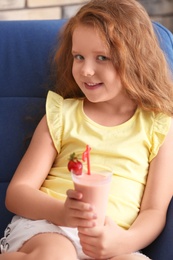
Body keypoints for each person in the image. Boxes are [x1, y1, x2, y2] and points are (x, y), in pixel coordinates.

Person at [1, 0, 173, 259]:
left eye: (102, 57)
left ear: (137, 59)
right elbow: (17, 193)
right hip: (49, 227)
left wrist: (124, 242)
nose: (86, 70)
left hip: (114, 241)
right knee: (56, 254)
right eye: (78, 56)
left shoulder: (160, 126)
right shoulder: (61, 115)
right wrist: (61, 212)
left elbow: (154, 211)